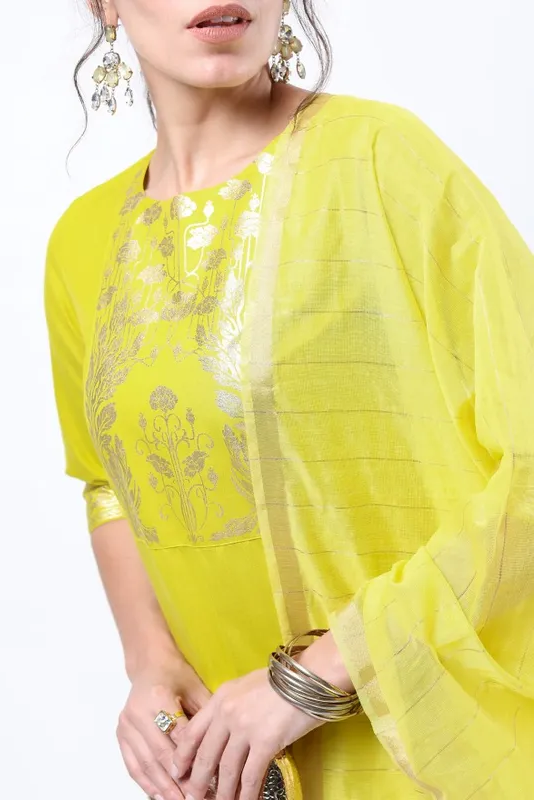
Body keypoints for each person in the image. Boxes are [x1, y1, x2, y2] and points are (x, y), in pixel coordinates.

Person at [44, 0, 534, 797]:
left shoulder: (380, 162)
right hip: (233, 772)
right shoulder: (82, 240)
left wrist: (321, 674)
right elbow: (106, 483)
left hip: (420, 752)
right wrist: (150, 662)